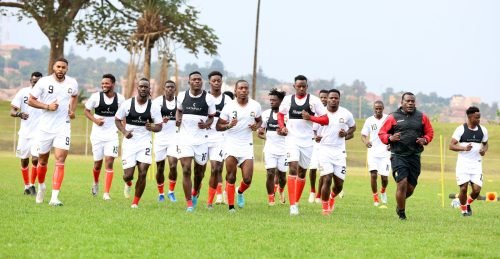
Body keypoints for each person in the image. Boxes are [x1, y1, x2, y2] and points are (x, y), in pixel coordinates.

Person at [28, 58, 78, 206]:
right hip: (45, 127)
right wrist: (47, 106)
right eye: (58, 66)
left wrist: (72, 110)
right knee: (42, 161)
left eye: (63, 67)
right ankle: (41, 186)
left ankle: (54, 197)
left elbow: (74, 96)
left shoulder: (72, 83)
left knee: (60, 160)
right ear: (53, 67)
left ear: (67, 69)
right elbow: (31, 100)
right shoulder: (43, 82)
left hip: (63, 126)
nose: (60, 69)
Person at [277, 75, 328, 215]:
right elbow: (280, 115)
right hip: (291, 140)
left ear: (307, 86)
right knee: (292, 168)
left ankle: (296, 201)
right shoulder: (288, 100)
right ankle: (293, 205)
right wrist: (282, 127)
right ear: (294, 86)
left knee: (302, 172)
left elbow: (325, 119)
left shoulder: (314, 101)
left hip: (307, 141)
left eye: (303, 86)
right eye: (298, 86)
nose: (301, 88)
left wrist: (310, 117)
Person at [379, 92, 434, 220]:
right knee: (402, 183)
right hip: (398, 155)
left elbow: (430, 132)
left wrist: (425, 140)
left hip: (414, 156)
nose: (410, 103)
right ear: (402, 102)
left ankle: (399, 204)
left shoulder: (422, 117)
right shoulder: (393, 117)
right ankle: (402, 214)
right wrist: (390, 138)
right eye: (408, 101)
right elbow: (382, 133)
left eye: (412, 101)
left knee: (410, 188)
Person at [115, 78, 162, 208]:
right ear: (137, 88)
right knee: (128, 175)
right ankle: (128, 183)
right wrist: (124, 132)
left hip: (145, 141)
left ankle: (135, 202)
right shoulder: (127, 104)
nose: (143, 89)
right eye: (141, 86)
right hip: (130, 141)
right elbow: (118, 120)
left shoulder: (154, 107)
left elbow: (159, 127)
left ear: (149, 90)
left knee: (142, 172)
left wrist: (151, 127)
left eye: (146, 87)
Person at [216, 80, 262, 212]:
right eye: (240, 88)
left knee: (247, 179)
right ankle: (231, 207)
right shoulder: (229, 106)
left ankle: (240, 191)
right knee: (231, 176)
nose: (243, 90)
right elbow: (218, 126)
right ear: (235, 91)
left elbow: (259, 121)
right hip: (231, 144)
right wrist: (229, 125)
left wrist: (256, 126)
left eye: (246, 88)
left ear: (248, 90)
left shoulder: (255, 105)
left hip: (246, 146)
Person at [175, 71, 216, 212]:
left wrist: (206, 124)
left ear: (202, 82)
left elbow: (212, 117)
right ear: (189, 82)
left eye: (199, 79)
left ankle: (196, 191)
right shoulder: (181, 96)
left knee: (199, 173)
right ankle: (189, 204)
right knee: (186, 169)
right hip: (185, 139)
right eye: (194, 79)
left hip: (201, 141)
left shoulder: (209, 98)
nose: (197, 81)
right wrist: (178, 119)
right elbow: (179, 110)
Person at [311, 89, 356, 215]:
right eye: (331, 98)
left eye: (336, 98)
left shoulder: (346, 113)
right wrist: (316, 137)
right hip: (324, 150)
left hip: (339, 152)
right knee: (327, 178)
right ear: (327, 99)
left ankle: (331, 197)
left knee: (339, 185)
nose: (333, 100)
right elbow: (314, 130)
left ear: (339, 99)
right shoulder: (321, 113)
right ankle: (325, 209)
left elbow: (353, 127)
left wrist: (346, 133)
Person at [84, 74, 125, 200]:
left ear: (113, 84)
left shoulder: (120, 99)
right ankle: (96, 183)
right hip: (97, 136)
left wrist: (124, 130)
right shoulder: (96, 97)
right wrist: (95, 121)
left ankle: (106, 193)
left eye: (106, 83)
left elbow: (124, 115)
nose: (104, 86)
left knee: (110, 162)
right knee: (97, 164)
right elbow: (86, 111)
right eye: (102, 84)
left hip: (112, 135)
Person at [449, 106, 488, 216]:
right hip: (463, 164)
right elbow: (451, 146)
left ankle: (467, 203)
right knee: (463, 189)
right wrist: (464, 148)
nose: (479, 120)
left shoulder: (483, 130)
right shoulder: (461, 129)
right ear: (470, 117)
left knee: (476, 190)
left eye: (479, 117)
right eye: (477, 118)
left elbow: (486, 144)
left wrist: (483, 151)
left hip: (476, 165)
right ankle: (464, 211)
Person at [10, 71, 43, 195]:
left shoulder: (44, 94)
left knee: (35, 159)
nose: (36, 83)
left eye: (38, 81)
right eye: (34, 81)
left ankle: (33, 185)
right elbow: (12, 111)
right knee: (24, 160)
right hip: (25, 133)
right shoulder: (23, 92)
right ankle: (26, 186)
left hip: (39, 133)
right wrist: (19, 114)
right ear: (30, 81)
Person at [205, 71, 232, 208]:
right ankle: (195, 192)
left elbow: (232, 118)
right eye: (214, 80)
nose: (216, 83)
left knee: (216, 168)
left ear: (221, 82)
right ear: (209, 82)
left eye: (218, 81)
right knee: (200, 170)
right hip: (202, 138)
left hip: (220, 138)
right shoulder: (203, 97)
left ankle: (214, 199)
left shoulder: (227, 100)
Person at [258, 88, 287, 205]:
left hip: (284, 150)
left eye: (274, 100)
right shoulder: (265, 114)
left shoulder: (286, 116)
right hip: (270, 149)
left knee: (282, 177)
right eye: (270, 100)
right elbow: (261, 130)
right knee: (270, 173)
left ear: (280, 101)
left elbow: (292, 132)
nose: (271, 102)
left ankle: (281, 190)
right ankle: (271, 198)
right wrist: (260, 132)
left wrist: (284, 132)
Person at [152, 80, 179, 202]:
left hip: (175, 138)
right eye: (167, 87)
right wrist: (161, 120)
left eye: (172, 87)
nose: (170, 89)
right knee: (160, 168)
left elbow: (183, 117)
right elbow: (151, 119)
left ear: (175, 89)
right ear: (164, 88)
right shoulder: (157, 102)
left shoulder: (179, 102)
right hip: (160, 138)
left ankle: (171, 192)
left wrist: (180, 121)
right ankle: (161, 194)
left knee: (173, 165)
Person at [361, 100, 390, 207]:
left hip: (386, 153)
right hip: (373, 152)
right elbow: (363, 135)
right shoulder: (369, 120)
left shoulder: (388, 119)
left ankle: (383, 191)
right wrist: (366, 142)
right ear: (374, 109)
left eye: (380, 108)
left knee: (384, 178)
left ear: (383, 108)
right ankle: (375, 197)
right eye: (376, 108)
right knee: (373, 175)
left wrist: (391, 143)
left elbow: (394, 132)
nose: (378, 110)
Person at [308, 89, 328, 203]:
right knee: (312, 168)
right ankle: (312, 190)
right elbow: (313, 129)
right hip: (315, 144)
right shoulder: (314, 112)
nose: (324, 99)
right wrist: (315, 136)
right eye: (322, 97)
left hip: (326, 145)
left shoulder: (330, 112)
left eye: (326, 97)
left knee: (324, 171)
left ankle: (319, 195)